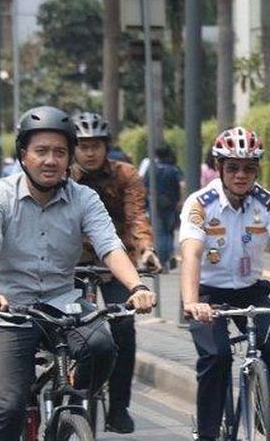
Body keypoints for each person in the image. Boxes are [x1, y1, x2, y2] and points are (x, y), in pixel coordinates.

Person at [0, 106, 157, 440]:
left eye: (60, 152)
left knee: (103, 346)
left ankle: (68, 403)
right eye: (41, 151)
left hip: (63, 305)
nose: (50, 160)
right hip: (9, 311)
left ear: (69, 158)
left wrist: (136, 286)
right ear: (23, 155)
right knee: (9, 407)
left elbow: (109, 245)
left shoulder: (83, 198)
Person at [180, 127, 270, 441]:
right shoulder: (200, 203)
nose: (241, 175)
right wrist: (192, 303)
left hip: (251, 291)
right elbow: (190, 254)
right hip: (207, 294)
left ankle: (258, 399)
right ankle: (207, 434)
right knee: (216, 357)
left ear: (257, 169)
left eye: (249, 168)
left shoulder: (269, 203)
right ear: (219, 168)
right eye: (233, 168)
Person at [70, 111, 161, 433]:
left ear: (106, 146)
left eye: (96, 145)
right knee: (66, 323)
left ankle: (119, 408)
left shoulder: (125, 174)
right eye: (83, 145)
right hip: (71, 264)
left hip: (115, 263)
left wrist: (146, 248)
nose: (90, 152)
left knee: (123, 328)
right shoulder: (63, 177)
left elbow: (136, 215)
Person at [144, 144, 183, 268]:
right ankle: (169, 255)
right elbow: (182, 184)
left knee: (159, 233)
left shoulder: (152, 168)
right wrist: (180, 201)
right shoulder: (174, 168)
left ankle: (161, 260)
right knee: (169, 232)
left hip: (155, 204)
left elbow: (145, 186)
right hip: (171, 204)